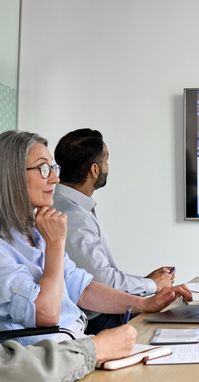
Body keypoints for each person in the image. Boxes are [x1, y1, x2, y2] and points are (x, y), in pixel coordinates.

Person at [0, 130, 192, 345]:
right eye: (43, 168)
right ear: (10, 176)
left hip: (76, 346)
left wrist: (144, 303)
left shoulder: (34, 234)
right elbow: (45, 314)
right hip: (45, 360)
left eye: (53, 169)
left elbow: (83, 289)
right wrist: (56, 244)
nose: (55, 179)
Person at [52, 128, 177, 334]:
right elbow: (102, 281)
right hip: (97, 321)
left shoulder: (66, 205)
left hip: (99, 313)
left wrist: (146, 284)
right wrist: (151, 285)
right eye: (106, 160)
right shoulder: (73, 216)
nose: (107, 167)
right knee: (171, 321)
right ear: (94, 170)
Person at [0, 296, 136, 381]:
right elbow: (4, 370)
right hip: (55, 354)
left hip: (71, 347)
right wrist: (95, 349)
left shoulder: (36, 240)